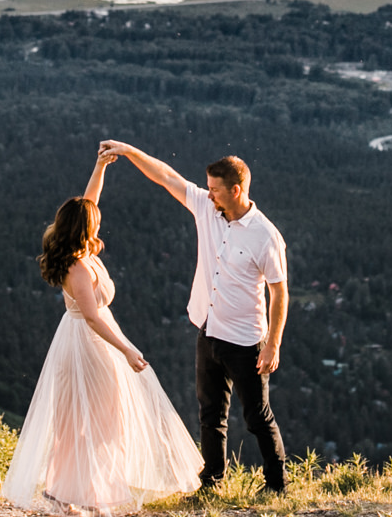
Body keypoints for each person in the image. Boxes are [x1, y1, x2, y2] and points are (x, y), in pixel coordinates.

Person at [0, 146, 201, 517]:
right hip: (89, 343)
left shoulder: (77, 249)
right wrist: (126, 348)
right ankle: (73, 492)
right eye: (95, 221)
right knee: (91, 419)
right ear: (86, 229)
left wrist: (99, 168)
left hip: (88, 340)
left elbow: (88, 202)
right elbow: (93, 317)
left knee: (94, 417)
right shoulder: (77, 267)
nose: (99, 222)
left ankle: (77, 490)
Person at [100, 140, 289, 494]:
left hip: (246, 341)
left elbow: (280, 293)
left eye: (215, 189)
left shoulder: (266, 236)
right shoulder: (206, 207)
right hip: (208, 330)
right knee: (210, 414)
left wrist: (273, 346)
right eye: (209, 188)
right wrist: (128, 151)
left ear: (236, 190)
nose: (209, 194)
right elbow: (167, 177)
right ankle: (212, 483)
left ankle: (277, 485)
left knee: (256, 417)